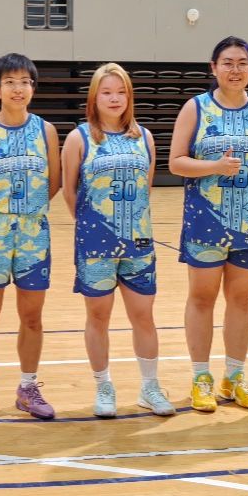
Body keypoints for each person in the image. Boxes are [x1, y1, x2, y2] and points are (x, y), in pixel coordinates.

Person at [169, 36, 248, 414]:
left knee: (242, 299)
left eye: (242, 63)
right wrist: (215, 167)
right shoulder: (196, 107)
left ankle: (234, 377)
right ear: (213, 68)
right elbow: (176, 162)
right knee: (202, 298)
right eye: (227, 62)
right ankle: (200, 378)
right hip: (206, 220)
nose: (235, 70)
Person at [62, 62, 171, 418]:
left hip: (138, 243)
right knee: (98, 316)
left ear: (129, 96)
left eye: (121, 92)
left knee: (144, 316)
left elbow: (146, 187)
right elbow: (69, 191)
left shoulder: (144, 137)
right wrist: (95, 225)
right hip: (96, 245)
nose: (114, 98)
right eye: (106, 92)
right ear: (94, 97)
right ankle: (104, 386)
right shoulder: (79, 138)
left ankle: (150, 387)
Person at [0, 53, 61, 423]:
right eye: (10, 82)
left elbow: (55, 181)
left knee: (32, 316)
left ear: (33, 88)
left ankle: (28, 388)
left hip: (34, 233)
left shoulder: (46, 132)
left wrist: (27, 211)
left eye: (25, 82)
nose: (18, 89)